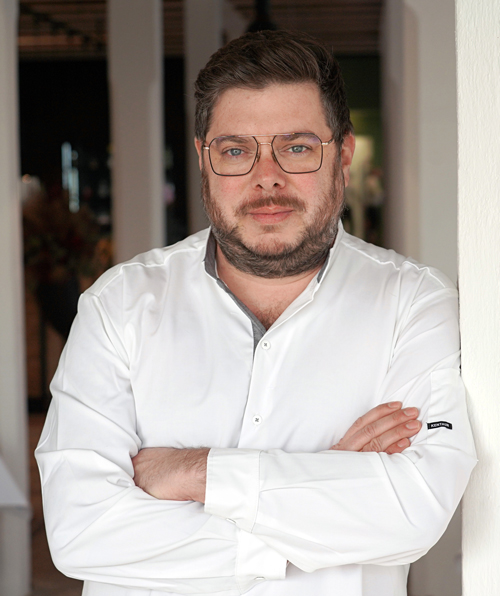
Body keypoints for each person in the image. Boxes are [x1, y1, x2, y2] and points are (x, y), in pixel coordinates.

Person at [35, 30, 476, 596]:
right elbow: (80, 532)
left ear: (342, 155)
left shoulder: (414, 303)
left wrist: (195, 472)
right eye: (237, 151)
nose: (267, 177)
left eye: (297, 147)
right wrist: (325, 486)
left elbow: (413, 513)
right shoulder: (118, 305)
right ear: (204, 158)